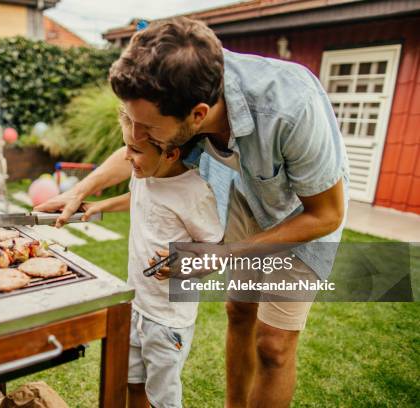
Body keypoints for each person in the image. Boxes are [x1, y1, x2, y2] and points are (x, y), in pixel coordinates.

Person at [36, 17, 349, 408]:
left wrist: (220, 254)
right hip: (243, 195)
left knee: (273, 346)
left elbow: (326, 214)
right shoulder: (176, 89)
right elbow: (141, 151)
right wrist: (81, 189)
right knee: (238, 312)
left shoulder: (291, 105)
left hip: (302, 211)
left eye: (146, 127)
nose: (134, 136)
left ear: (198, 116)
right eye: (130, 120)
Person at [81, 110, 223, 408]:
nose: (127, 157)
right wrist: (101, 204)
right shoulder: (144, 175)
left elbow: (216, 251)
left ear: (170, 153)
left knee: (163, 399)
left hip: (167, 319)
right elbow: (139, 200)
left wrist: (183, 264)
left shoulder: (194, 192)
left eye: (134, 150)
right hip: (136, 305)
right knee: (133, 384)